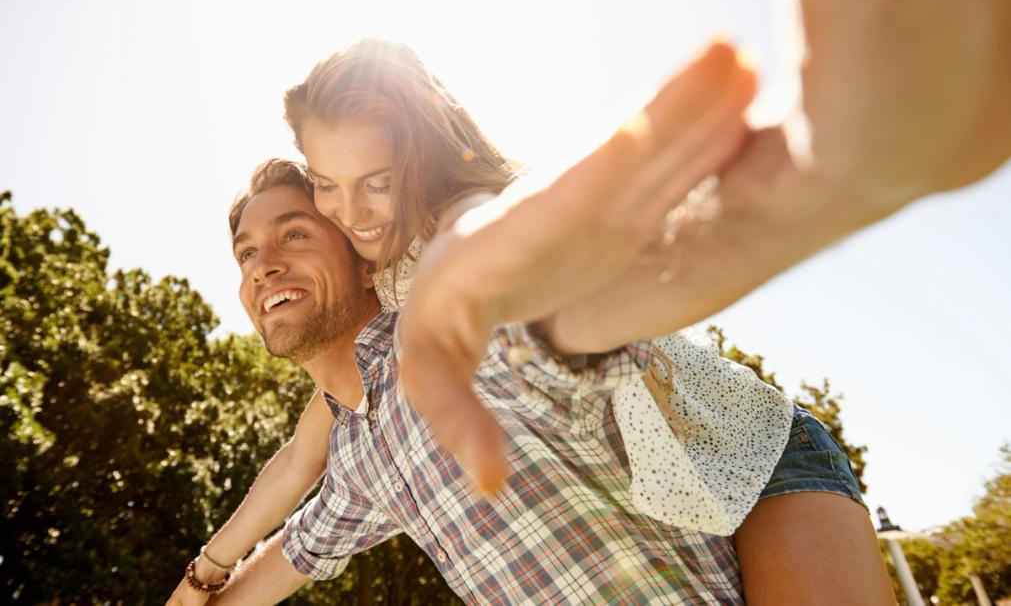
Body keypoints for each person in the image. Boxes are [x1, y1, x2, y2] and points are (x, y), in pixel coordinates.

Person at [168, 40, 889, 605]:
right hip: (669, 485)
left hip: (754, 450)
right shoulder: (365, 428)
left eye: (374, 184)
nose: (351, 212)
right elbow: (301, 462)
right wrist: (205, 571)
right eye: (327, 186)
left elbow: (496, 245)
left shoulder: (460, 240)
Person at [173, 159, 750, 603]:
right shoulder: (356, 454)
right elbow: (293, 550)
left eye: (295, 234)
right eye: (245, 254)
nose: (262, 266)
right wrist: (200, 578)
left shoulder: (452, 330)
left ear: (366, 262)